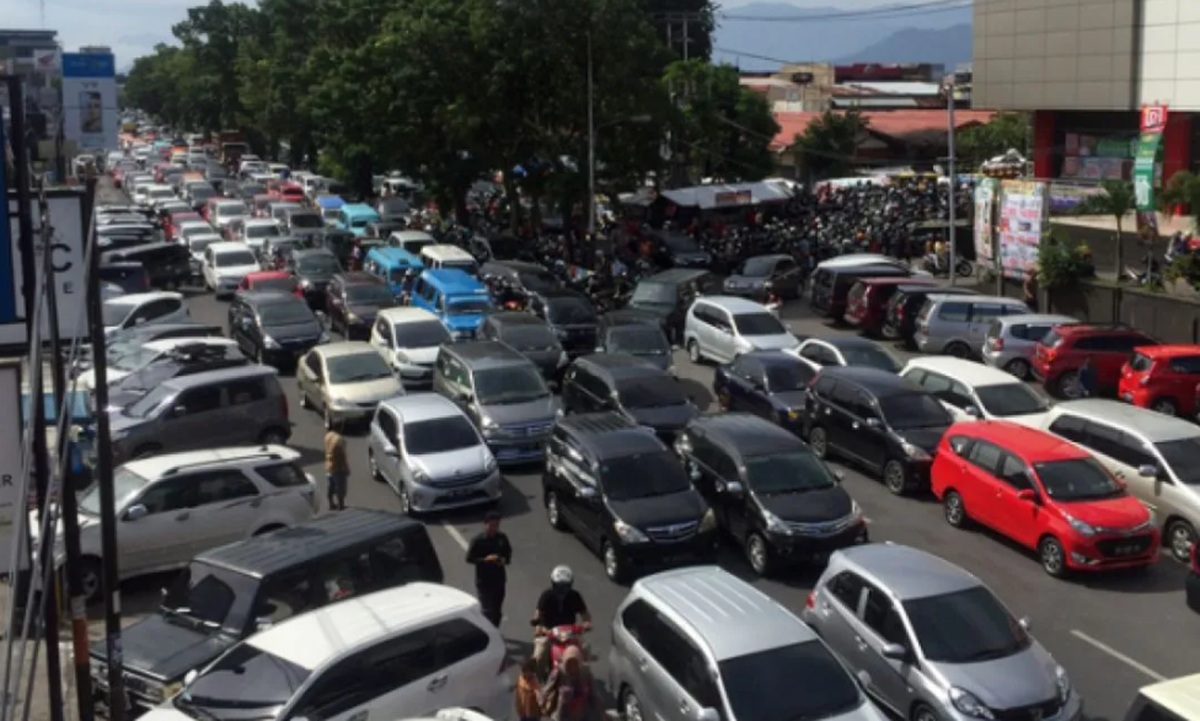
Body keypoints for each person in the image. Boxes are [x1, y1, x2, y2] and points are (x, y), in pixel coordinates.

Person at [532, 566, 591, 671]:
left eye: (565, 587)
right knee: (538, 657)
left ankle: (582, 678)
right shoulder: (546, 596)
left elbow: (585, 614)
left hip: (570, 633)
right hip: (549, 632)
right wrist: (539, 627)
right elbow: (538, 614)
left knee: (585, 651)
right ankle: (540, 681)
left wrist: (587, 623)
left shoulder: (575, 596)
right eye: (559, 586)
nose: (562, 590)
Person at [466, 511, 512, 627]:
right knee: (487, 610)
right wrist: (485, 560)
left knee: (496, 610)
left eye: (496, 525)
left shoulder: (502, 538)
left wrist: (503, 560)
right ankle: (487, 631)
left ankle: (495, 630)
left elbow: (508, 554)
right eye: (491, 525)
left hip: (499, 580)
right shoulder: (478, 540)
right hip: (484, 581)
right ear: (485, 524)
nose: (494, 528)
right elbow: (469, 558)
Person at [542, 646, 601, 721]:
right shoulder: (559, 671)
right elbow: (548, 687)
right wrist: (542, 700)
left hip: (581, 707)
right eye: (569, 663)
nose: (572, 667)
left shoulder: (585, 671)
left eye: (574, 663)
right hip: (564, 707)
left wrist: (596, 703)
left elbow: (592, 689)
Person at [323, 423, 349, 511]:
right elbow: (341, 455)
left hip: (329, 465)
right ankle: (340, 506)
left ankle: (331, 503)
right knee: (340, 487)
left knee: (331, 486)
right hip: (338, 467)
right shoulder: (339, 440)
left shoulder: (328, 436)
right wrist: (345, 468)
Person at [515, 656, 543, 721]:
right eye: (522, 671)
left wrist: (540, 698)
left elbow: (537, 691)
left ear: (531, 672)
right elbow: (519, 684)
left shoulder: (534, 682)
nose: (523, 673)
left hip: (531, 713)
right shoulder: (521, 677)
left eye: (525, 671)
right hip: (522, 709)